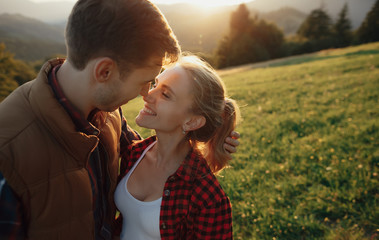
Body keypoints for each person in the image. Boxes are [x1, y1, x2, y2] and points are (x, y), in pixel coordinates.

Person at [0, 0, 239, 239]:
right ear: (105, 72)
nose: (146, 92)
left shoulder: (110, 112)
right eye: (145, 81)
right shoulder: (8, 155)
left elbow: (148, 153)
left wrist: (213, 135)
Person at [114, 55, 241, 239]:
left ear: (192, 122)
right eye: (155, 84)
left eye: (165, 94)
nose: (148, 95)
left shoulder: (207, 197)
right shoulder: (134, 153)